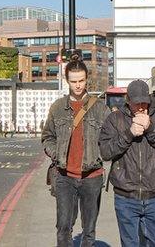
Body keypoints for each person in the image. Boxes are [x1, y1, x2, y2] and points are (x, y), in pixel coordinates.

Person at [98, 80, 155, 247]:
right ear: (128, 101)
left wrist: (151, 129)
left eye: (145, 102)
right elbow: (105, 152)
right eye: (137, 103)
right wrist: (129, 134)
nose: (142, 107)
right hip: (125, 195)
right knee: (130, 244)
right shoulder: (115, 119)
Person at [42, 57, 110, 247]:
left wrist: (100, 154)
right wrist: (57, 154)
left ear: (87, 79)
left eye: (81, 80)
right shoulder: (57, 108)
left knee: (89, 229)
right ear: (67, 81)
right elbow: (48, 137)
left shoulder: (100, 108)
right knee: (63, 227)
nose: (78, 85)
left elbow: (110, 140)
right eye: (74, 81)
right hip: (64, 176)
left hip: (92, 176)